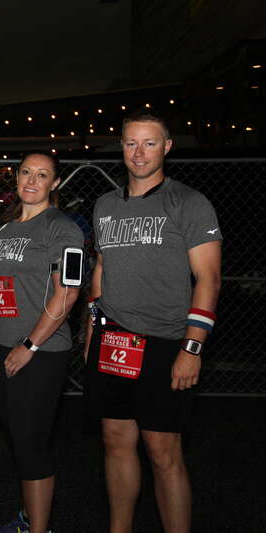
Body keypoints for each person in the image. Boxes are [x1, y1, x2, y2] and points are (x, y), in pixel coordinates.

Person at [84, 110, 222, 533]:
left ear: (166, 147)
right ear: (121, 148)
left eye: (148, 143)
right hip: (113, 342)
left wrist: (192, 347)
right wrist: (91, 331)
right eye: (130, 143)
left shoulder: (189, 202)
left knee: (164, 452)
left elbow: (209, 278)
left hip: (165, 343)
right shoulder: (104, 206)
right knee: (116, 444)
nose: (138, 153)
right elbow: (101, 271)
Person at [0, 152, 84, 533]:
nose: (32, 180)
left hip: (40, 353)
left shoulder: (62, 229)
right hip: (0, 350)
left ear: (54, 184)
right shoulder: (3, 230)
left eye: (42, 175)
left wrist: (30, 345)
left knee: (31, 444)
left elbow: (67, 294)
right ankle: (26, 519)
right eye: (26, 172)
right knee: (20, 440)